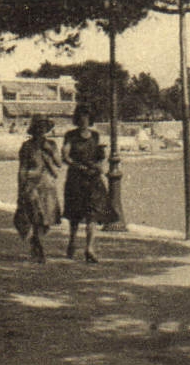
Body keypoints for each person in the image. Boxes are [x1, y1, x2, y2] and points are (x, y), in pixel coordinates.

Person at [60, 106, 114, 262]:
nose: (84, 121)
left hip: (93, 179)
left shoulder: (95, 136)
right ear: (78, 119)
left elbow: (100, 155)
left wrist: (100, 163)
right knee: (75, 215)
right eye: (82, 117)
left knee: (92, 214)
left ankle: (89, 248)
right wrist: (77, 166)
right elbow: (65, 155)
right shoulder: (70, 136)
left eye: (87, 118)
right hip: (76, 179)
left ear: (90, 120)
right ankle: (72, 242)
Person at [13, 117, 61, 262]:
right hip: (32, 184)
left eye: (44, 128)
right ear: (34, 130)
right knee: (35, 216)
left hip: (47, 186)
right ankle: (37, 245)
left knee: (46, 220)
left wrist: (49, 152)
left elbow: (58, 163)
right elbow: (22, 168)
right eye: (38, 127)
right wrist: (21, 188)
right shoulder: (27, 146)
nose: (41, 131)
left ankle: (35, 240)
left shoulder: (51, 144)